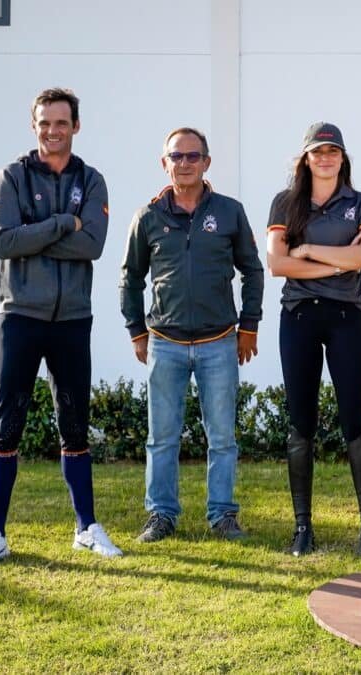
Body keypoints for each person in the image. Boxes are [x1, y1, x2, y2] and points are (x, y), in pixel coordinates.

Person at [0, 87, 122, 567]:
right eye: (44, 122)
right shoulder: (10, 176)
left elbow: (92, 245)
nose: (52, 130)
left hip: (72, 318)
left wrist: (38, 233)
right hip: (19, 317)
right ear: (33, 126)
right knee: (6, 425)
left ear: (76, 125)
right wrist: (62, 223)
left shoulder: (92, 181)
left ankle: (86, 528)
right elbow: (4, 241)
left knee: (74, 425)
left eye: (61, 122)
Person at [120, 127, 264, 543]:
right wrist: (135, 331)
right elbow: (130, 277)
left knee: (222, 438)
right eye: (176, 157)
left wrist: (249, 325)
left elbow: (252, 270)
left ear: (207, 162)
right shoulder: (147, 217)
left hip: (218, 342)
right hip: (164, 343)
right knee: (161, 438)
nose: (184, 163)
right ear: (164, 163)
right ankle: (161, 514)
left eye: (192, 156)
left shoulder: (230, 212)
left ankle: (222, 515)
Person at [265, 122, 361, 556]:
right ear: (306, 159)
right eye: (318, 152)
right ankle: (302, 528)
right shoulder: (285, 203)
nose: (326, 158)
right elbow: (277, 264)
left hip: (346, 316)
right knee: (301, 420)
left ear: (342, 157)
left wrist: (311, 252)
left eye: (332, 151)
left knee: (354, 417)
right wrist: (338, 264)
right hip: (299, 316)